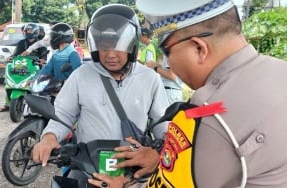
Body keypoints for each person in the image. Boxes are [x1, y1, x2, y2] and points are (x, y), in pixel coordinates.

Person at [88, 0, 287, 188]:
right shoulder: (280, 71)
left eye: (167, 53)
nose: (169, 61)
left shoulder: (210, 119)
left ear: (199, 48)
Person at [32, 3, 169, 187]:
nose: (110, 54)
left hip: (132, 176)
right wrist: (49, 138)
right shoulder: (81, 75)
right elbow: (62, 114)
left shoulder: (150, 79)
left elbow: (164, 128)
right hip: (88, 170)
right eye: (104, 47)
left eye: (118, 46)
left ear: (132, 45)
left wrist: (156, 155)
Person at [0, 23, 48, 112]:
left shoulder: (41, 44)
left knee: (38, 85)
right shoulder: (21, 42)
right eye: (27, 30)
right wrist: (11, 57)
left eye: (30, 30)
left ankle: (37, 104)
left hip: (34, 67)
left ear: (35, 32)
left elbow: (44, 57)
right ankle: (8, 104)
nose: (28, 32)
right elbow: (16, 54)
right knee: (11, 82)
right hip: (22, 66)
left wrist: (42, 60)